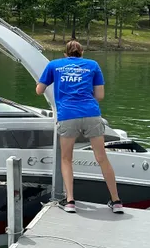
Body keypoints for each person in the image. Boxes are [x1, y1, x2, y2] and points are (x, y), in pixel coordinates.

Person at [35, 40, 123, 214]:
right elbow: (100, 95)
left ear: (65, 54)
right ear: (82, 52)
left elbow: (39, 90)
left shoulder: (54, 65)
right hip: (91, 114)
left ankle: (70, 202)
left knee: (66, 159)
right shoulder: (93, 65)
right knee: (102, 158)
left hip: (67, 115)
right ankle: (116, 201)